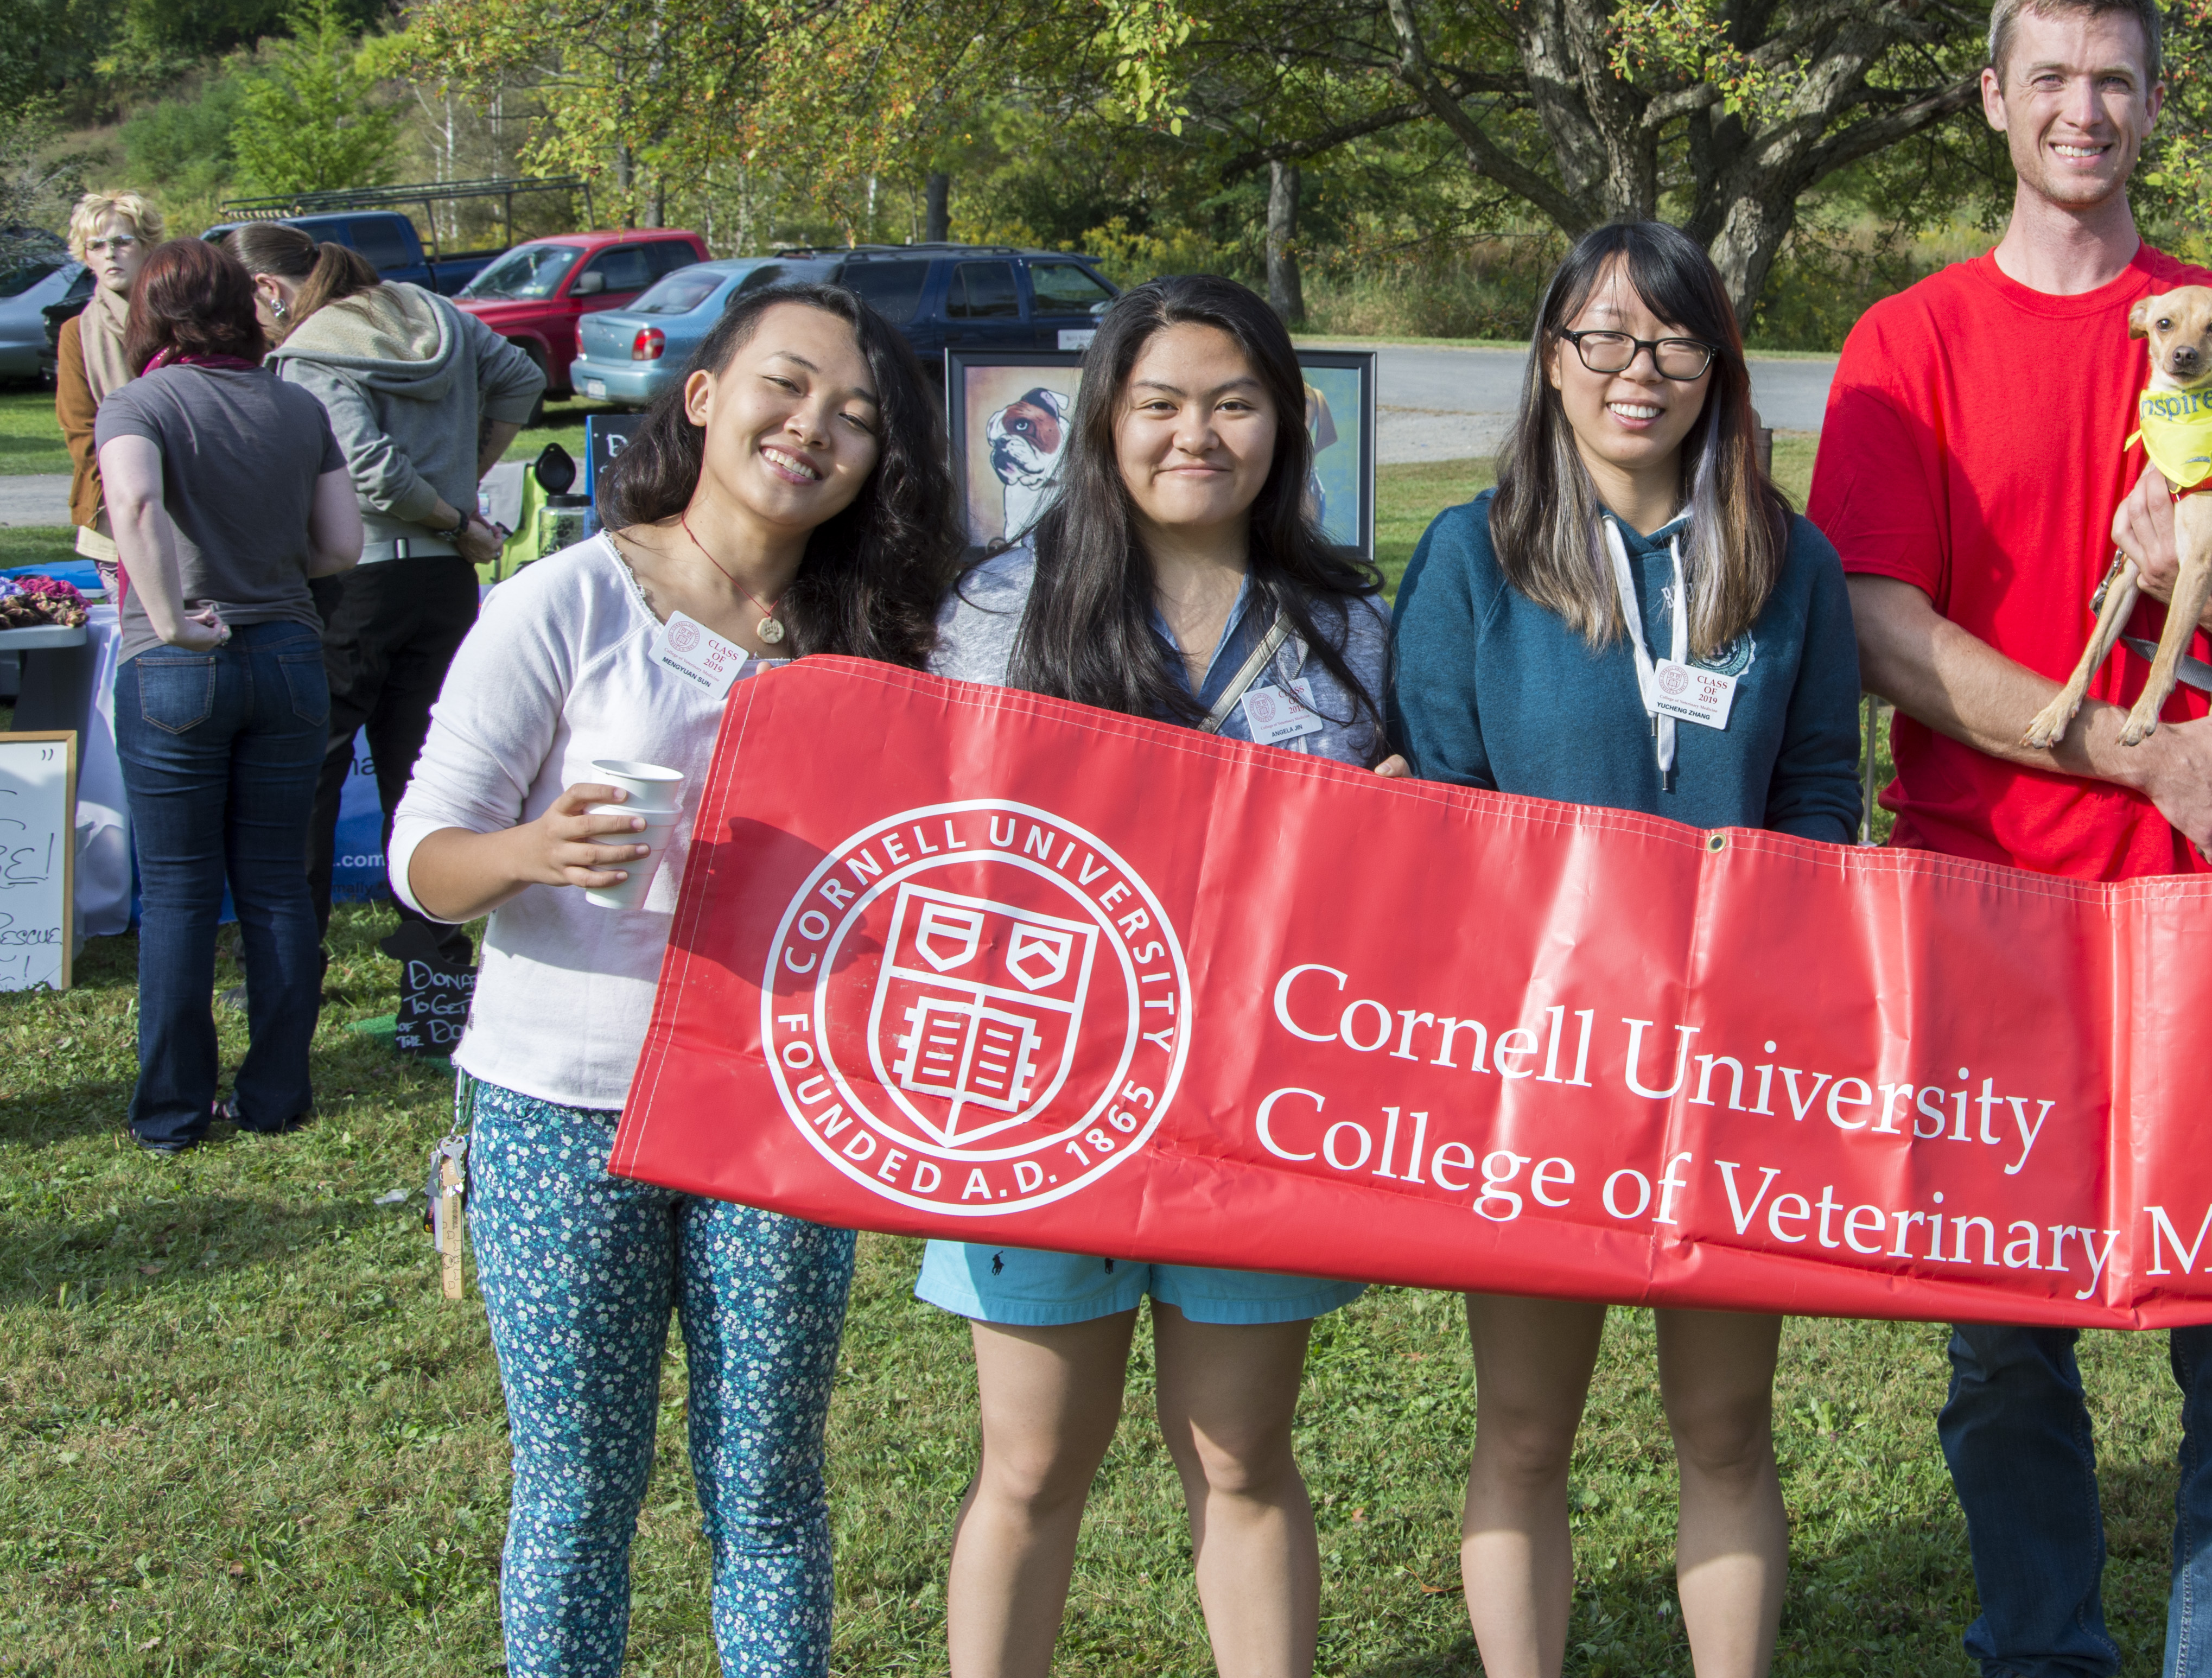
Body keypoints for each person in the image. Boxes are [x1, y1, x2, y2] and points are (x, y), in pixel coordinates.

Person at [1804, 0, 2212, 1678]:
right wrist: (2128, 748)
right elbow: (1877, 626)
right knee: (2007, 1355)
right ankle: (2044, 1654)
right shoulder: (1909, 343)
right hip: (1989, 902)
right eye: (2052, 78)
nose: (2082, 108)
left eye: (2116, 80)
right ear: (1994, 101)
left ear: (2153, 107)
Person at [386, 283, 961, 1678]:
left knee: (769, 1491)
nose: (812, 426)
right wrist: (533, 846)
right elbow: (420, 860)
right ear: (702, 396)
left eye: (858, 416)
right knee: (580, 1493)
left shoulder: (873, 643)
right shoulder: (565, 605)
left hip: (777, 1112)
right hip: (560, 1105)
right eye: (785, 384)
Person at [1393, 218, 1864, 1678]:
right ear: (1550, 364)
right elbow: (1443, 817)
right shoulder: (1472, 557)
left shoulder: (1790, 565)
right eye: (1602, 336)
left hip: (1731, 1067)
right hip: (1539, 1060)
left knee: (1724, 1426)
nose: (1636, 370)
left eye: (1672, 340)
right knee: (1528, 1429)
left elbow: (1820, 809)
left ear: (1718, 369)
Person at [921, 274, 1395, 1678]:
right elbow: (949, 855)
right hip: (1045, 1101)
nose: (1199, 435)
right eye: (1163, 404)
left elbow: (1378, 878)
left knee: (1242, 1457)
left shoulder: (1347, 621)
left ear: (1287, 425)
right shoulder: (1002, 610)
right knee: (1031, 1462)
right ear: (1103, 422)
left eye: (1235, 403)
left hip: (1258, 1106)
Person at [96, 239, 365, 1152]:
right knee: (277, 888)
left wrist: (170, 616)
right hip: (290, 655)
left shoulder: (138, 402)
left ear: (151, 316)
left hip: (179, 664)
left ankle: (173, 1112)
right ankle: (275, 1094)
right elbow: (341, 546)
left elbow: (132, 505)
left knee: (178, 894)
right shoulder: (296, 407)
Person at [227, 220, 542, 959]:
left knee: (311, 770)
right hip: (442, 578)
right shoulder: (424, 311)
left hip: (356, 578)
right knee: (424, 771)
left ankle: (289, 955)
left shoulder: (310, 351)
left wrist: (447, 509)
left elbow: (368, 469)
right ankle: (433, 955)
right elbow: (524, 379)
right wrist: (460, 497)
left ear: (267, 290)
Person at [56, 188, 167, 596]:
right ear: (85, 256)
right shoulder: (77, 334)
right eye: (97, 245)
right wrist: (134, 486)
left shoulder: (181, 320)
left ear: (147, 247)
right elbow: (81, 431)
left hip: (196, 502)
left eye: (122, 242)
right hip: (115, 512)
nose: (109, 254)